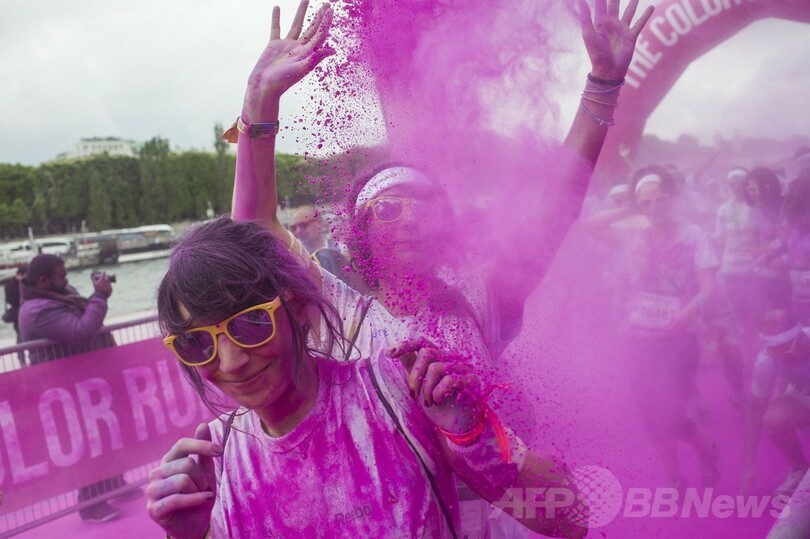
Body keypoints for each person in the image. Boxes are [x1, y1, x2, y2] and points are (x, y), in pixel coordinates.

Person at [225, 0, 653, 535]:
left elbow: (554, 211)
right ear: (361, 233)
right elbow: (254, 235)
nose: (408, 219)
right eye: (388, 207)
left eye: (424, 205)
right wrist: (259, 102)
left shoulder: (477, 298)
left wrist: (603, 85)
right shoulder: (339, 314)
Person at [146, 217, 586, 539]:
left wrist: (473, 437)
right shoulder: (218, 459)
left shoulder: (397, 389)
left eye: (250, 323)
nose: (231, 360)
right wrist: (189, 536)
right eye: (195, 343)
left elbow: (569, 516)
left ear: (299, 308)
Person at [586, 165, 720, 488]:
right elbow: (589, 226)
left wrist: (687, 314)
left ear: (671, 197)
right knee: (650, 416)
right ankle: (686, 470)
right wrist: (630, 207)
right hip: (638, 339)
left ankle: (698, 459)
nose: (653, 207)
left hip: (679, 339)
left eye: (659, 200)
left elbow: (709, 288)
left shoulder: (694, 236)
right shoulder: (635, 232)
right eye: (646, 203)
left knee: (667, 414)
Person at [17, 254, 140, 522]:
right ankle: (91, 504)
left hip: (83, 379)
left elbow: (82, 316)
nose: (67, 280)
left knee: (105, 431)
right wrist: (100, 297)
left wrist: (95, 297)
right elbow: (82, 330)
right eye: (62, 276)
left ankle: (114, 483)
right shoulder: (36, 310)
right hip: (63, 385)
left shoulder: (56, 295)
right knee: (88, 441)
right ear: (44, 280)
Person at [743, 310, 810, 496]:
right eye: (776, 353)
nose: (781, 358)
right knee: (773, 419)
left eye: (785, 352)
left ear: (801, 338)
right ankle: (800, 469)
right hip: (803, 395)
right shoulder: (768, 360)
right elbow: (755, 411)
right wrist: (749, 463)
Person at [288, 204, 360, 289]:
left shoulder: (342, 250)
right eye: (293, 228)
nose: (298, 231)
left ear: (319, 222)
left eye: (303, 225)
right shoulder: (292, 256)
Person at [3, 264, 27, 366]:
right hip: (19, 313)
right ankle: (21, 359)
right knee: (20, 336)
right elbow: (12, 300)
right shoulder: (11, 286)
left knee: (20, 336)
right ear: (20, 275)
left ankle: (21, 359)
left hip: (20, 313)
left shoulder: (11, 285)